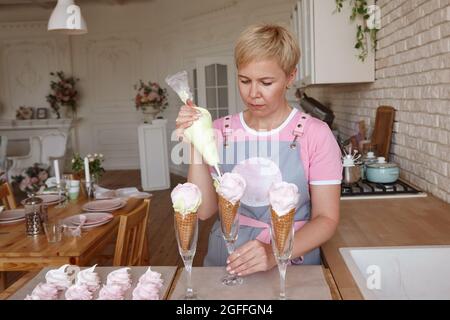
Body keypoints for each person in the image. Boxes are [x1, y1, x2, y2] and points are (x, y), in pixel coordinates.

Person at [175, 23, 342, 276]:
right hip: (227, 260)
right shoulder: (220, 130)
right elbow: (205, 211)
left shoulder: (315, 134)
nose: (253, 93)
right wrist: (195, 141)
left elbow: (326, 219)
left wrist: (274, 251)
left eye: (266, 82)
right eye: (244, 80)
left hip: (292, 261)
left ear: (290, 76)